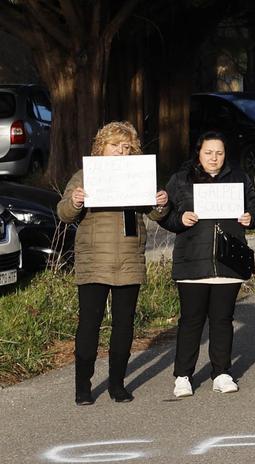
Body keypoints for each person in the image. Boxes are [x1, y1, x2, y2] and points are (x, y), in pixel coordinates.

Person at [56, 121, 170, 405]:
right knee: (89, 324)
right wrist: (75, 200)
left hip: (130, 258)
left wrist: (161, 201)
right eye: (115, 145)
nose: (121, 151)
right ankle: (82, 386)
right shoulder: (86, 174)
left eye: (127, 147)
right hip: (94, 259)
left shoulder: (140, 174)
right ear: (101, 147)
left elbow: (157, 215)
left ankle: (117, 384)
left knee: (124, 325)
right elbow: (63, 213)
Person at [159, 131, 255, 397]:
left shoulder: (239, 178)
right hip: (192, 261)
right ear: (199, 153)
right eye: (208, 153)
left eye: (219, 153)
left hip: (227, 261)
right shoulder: (180, 180)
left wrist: (251, 217)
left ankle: (222, 372)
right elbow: (164, 215)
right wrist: (180, 220)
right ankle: (183, 375)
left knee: (222, 319)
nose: (214, 158)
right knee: (191, 321)